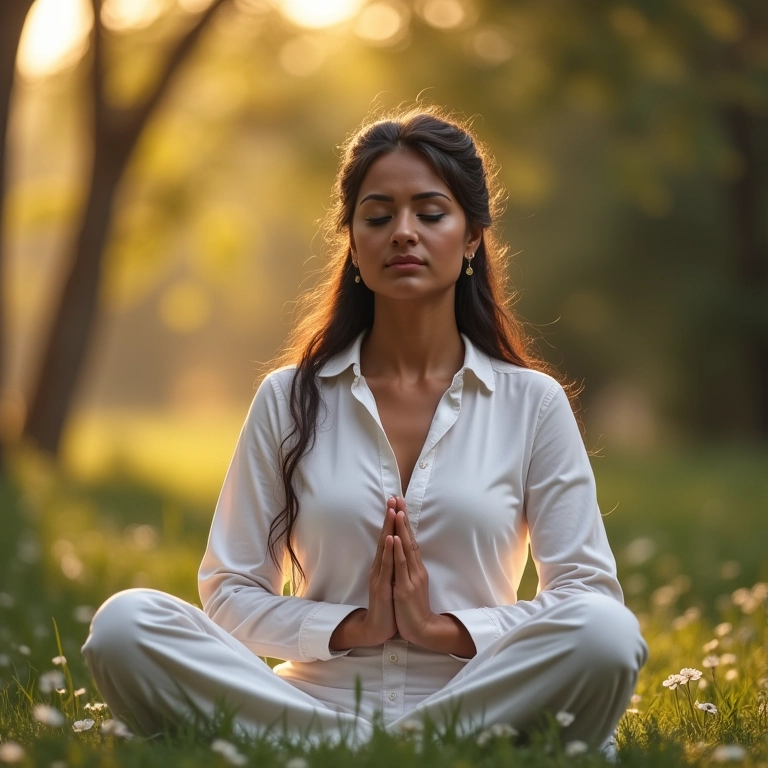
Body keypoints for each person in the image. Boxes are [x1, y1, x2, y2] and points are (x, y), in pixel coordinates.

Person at [82, 108, 648, 748]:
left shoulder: (532, 403)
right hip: (310, 702)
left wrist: (444, 631)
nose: (403, 232)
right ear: (352, 241)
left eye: (430, 213)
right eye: (378, 216)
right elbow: (230, 592)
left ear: (470, 239)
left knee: (606, 631)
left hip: (480, 693)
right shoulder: (289, 397)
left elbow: (586, 593)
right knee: (127, 624)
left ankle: (360, 753)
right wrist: (353, 626)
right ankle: (405, 752)